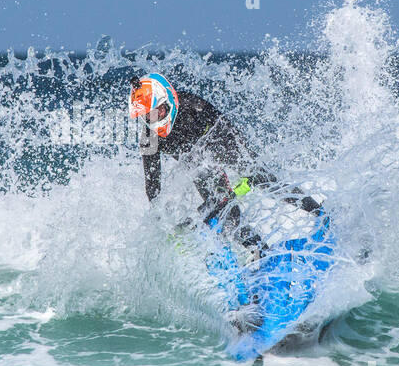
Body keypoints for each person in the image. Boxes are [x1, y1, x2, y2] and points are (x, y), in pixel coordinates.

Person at [127, 73, 323, 255]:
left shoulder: (194, 107)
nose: (153, 120)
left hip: (222, 145)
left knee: (263, 178)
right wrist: (161, 220)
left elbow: (232, 134)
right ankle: (261, 253)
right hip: (199, 166)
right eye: (147, 116)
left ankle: (320, 213)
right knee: (227, 214)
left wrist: (248, 171)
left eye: (157, 112)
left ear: (168, 100)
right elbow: (152, 187)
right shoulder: (149, 139)